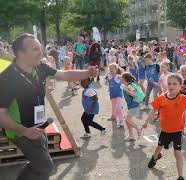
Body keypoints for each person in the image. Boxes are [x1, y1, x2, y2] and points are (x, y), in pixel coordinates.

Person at [0, 33, 99, 180]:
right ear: (20, 53)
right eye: (35, 49)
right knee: (45, 166)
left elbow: (64, 75)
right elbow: (1, 114)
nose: (41, 52)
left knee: (40, 165)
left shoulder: (40, 67)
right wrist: (24, 130)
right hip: (20, 131)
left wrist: (87, 73)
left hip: (39, 126)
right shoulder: (7, 78)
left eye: (40, 48)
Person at [121, 72, 144, 141]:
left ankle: (138, 128)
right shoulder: (128, 85)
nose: (120, 79)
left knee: (127, 119)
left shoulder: (129, 86)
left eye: (121, 78)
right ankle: (131, 135)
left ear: (125, 79)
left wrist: (127, 90)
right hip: (131, 105)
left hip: (134, 105)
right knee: (127, 121)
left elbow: (134, 94)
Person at [108, 63, 124, 128]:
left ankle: (121, 120)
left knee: (118, 107)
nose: (111, 70)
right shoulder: (109, 77)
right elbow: (109, 85)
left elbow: (122, 77)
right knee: (113, 106)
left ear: (116, 69)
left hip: (118, 94)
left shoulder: (117, 76)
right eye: (110, 69)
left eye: (113, 68)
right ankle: (113, 116)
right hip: (112, 94)